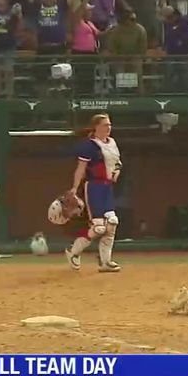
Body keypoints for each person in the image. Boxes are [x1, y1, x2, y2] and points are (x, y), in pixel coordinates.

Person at [66, 113, 122, 273]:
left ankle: (106, 261)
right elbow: (81, 169)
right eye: (105, 125)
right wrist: (74, 189)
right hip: (94, 188)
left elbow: (117, 163)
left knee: (112, 222)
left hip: (107, 188)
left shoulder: (112, 143)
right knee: (98, 227)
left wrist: (116, 172)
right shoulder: (89, 146)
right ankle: (73, 252)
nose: (108, 128)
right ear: (96, 127)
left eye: (110, 125)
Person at [162, 5, 188, 92]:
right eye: (167, 17)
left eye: (170, 17)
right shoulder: (168, 25)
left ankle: (185, 94)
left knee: (184, 76)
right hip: (171, 55)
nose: (169, 19)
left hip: (184, 55)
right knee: (168, 74)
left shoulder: (186, 23)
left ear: (176, 15)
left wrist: (183, 41)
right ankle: (169, 93)